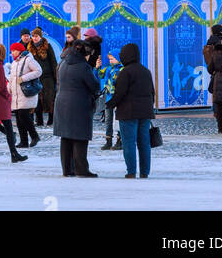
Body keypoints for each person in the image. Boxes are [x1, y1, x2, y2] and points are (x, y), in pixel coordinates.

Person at [53, 37, 99, 178]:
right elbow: (94, 86)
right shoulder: (82, 66)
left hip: (61, 103)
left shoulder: (63, 63)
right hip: (79, 104)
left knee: (66, 137)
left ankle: (67, 170)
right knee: (80, 137)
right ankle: (81, 170)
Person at [109, 42, 156, 179]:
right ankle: (144, 172)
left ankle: (131, 171)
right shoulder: (146, 71)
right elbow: (151, 93)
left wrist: (110, 104)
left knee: (129, 143)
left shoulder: (125, 72)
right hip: (145, 113)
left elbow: (119, 93)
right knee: (144, 143)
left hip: (128, 113)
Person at [8, 40, 42, 148]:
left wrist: (23, 78)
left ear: (20, 51)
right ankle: (24, 141)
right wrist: (9, 88)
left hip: (25, 93)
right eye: (12, 51)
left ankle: (35, 136)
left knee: (24, 116)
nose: (12, 53)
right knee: (19, 118)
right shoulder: (14, 63)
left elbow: (38, 71)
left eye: (14, 50)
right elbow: (12, 78)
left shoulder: (28, 60)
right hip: (16, 95)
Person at [30, 27, 58, 128]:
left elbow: (53, 61)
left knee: (49, 98)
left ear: (40, 37)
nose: (34, 38)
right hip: (35, 77)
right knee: (37, 99)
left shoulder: (47, 46)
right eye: (33, 36)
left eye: (36, 36)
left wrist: (56, 76)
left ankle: (51, 119)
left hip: (47, 77)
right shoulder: (30, 48)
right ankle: (40, 120)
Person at [97, 51, 122, 150]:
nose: (110, 61)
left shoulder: (122, 69)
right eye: (109, 59)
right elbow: (100, 75)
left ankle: (119, 140)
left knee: (118, 120)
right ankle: (108, 140)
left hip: (118, 99)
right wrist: (98, 67)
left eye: (112, 59)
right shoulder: (108, 69)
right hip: (108, 98)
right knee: (108, 120)